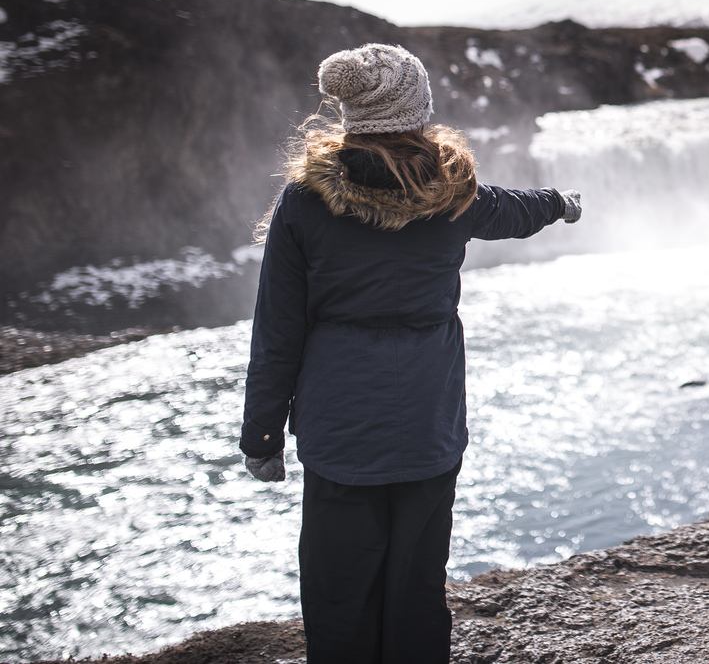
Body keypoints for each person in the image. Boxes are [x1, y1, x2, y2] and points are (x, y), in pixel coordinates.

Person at [238, 43, 581, 663]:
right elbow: (516, 211)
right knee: (417, 588)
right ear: (415, 110)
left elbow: (277, 330)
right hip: (428, 425)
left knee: (339, 593)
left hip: (340, 431)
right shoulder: (452, 193)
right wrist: (559, 204)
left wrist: (262, 435)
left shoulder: (303, 202)